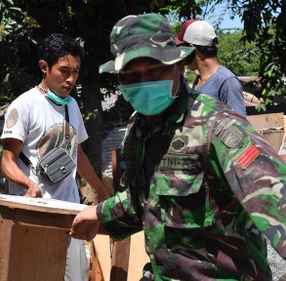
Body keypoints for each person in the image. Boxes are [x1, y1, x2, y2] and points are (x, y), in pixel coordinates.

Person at [70, 13, 286, 280]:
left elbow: (278, 197)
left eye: (155, 69)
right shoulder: (138, 132)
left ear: (179, 66)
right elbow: (145, 200)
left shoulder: (218, 128)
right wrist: (99, 212)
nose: (144, 82)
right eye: (131, 74)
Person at [0, 33, 110, 281]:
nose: (71, 79)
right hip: (34, 217)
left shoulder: (72, 105)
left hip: (71, 215)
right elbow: (7, 160)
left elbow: (78, 154)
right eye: (64, 71)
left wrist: (103, 194)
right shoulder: (24, 105)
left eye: (76, 71)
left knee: (77, 277)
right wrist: (28, 184)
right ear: (44, 67)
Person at [175, 19, 247, 117]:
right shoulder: (199, 79)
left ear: (192, 49)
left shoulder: (226, 81)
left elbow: (240, 126)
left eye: (183, 49)